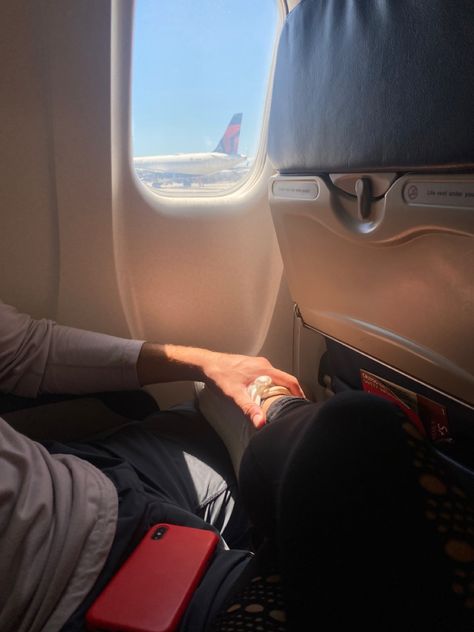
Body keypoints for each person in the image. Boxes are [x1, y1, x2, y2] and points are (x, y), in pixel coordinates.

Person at [0, 299, 303, 632]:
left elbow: (28, 349)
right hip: (73, 592)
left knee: (229, 398)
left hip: (82, 475)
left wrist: (208, 364)